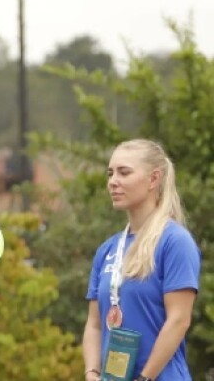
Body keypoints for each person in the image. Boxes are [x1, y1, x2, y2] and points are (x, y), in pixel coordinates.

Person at [83, 139, 200, 381]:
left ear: (154, 179)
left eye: (124, 172)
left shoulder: (175, 241)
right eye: (110, 173)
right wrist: (92, 373)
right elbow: (94, 324)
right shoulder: (107, 249)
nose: (113, 181)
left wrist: (144, 378)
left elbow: (179, 320)